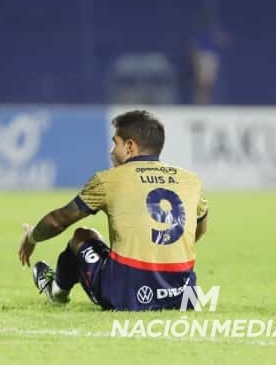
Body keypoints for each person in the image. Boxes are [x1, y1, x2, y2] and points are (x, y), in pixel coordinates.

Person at [17, 110, 209, 311]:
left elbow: (57, 221)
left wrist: (31, 237)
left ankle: (57, 291)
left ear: (129, 146)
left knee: (82, 235)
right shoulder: (191, 181)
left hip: (128, 293)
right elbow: (200, 229)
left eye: (115, 143)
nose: (111, 151)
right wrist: (161, 254)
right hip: (183, 295)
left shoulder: (109, 180)